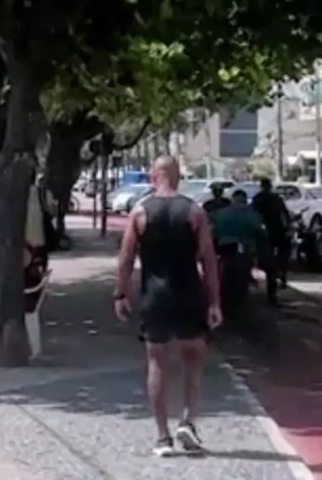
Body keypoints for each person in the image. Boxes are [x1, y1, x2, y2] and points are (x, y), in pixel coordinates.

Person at [115, 156, 222, 457]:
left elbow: (125, 258)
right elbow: (208, 260)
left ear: (153, 177)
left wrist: (120, 294)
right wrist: (215, 302)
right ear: (178, 178)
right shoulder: (194, 212)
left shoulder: (139, 212)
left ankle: (163, 438)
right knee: (194, 358)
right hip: (189, 294)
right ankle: (187, 420)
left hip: (155, 296)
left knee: (157, 363)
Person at [252, 178, 291, 303]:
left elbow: (253, 214)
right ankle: (280, 275)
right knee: (282, 254)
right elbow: (285, 213)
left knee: (268, 258)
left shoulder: (258, 198)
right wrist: (288, 226)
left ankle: (276, 276)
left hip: (266, 231)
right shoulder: (275, 198)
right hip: (276, 230)